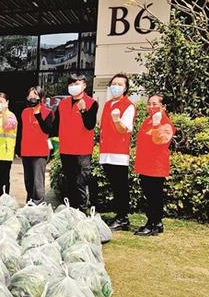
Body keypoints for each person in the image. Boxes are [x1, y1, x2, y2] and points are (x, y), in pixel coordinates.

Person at [54, 74, 99, 211]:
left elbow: (90, 125)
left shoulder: (91, 103)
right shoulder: (63, 104)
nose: (73, 87)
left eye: (77, 83)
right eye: (71, 84)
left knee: (81, 182)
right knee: (70, 182)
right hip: (66, 149)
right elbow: (55, 125)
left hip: (82, 151)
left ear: (84, 85)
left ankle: (82, 211)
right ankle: (72, 211)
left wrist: (83, 110)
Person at [134, 94, 175, 236]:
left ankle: (155, 223)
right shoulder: (148, 121)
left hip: (156, 165)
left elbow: (160, 140)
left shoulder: (165, 123)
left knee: (154, 195)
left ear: (163, 106)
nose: (151, 107)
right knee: (148, 194)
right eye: (149, 104)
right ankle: (153, 222)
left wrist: (157, 124)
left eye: (154, 104)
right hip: (145, 163)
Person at [99, 73, 135, 230]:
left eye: (120, 84)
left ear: (125, 88)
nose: (116, 87)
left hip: (119, 153)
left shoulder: (128, 105)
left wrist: (117, 120)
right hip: (106, 151)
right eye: (114, 83)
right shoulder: (108, 104)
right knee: (114, 186)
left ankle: (123, 218)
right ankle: (118, 215)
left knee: (121, 186)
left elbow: (123, 129)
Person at [16, 86, 54, 204]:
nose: (32, 98)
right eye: (30, 96)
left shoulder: (48, 112)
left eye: (35, 95)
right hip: (26, 151)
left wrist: (38, 116)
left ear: (41, 97)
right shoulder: (25, 112)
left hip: (40, 152)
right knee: (28, 181)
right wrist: (18, 149)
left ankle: (39, 204)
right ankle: (30, 203)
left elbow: (47, 130)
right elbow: (20, 131)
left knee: (38, 182)